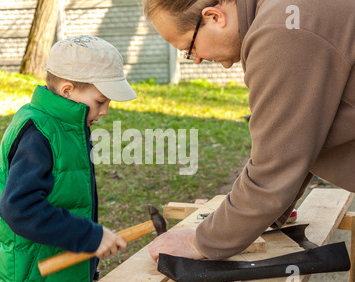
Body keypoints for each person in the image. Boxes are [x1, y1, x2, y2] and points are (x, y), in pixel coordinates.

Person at [144, 0, 355, 262]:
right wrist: (267, 214)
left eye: (189, 48)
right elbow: (298, 135)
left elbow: (274, 167)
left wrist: (200, 241)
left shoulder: (279, 31)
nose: (195, 59)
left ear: (214, 16)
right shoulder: (283, 13)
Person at [0, 35, 137, 282]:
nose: (106, 111)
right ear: (67, 91)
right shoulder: (38, 132)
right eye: (101, 101)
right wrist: (89, 235)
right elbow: (18, 208)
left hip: (53, 280)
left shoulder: (68, 127)